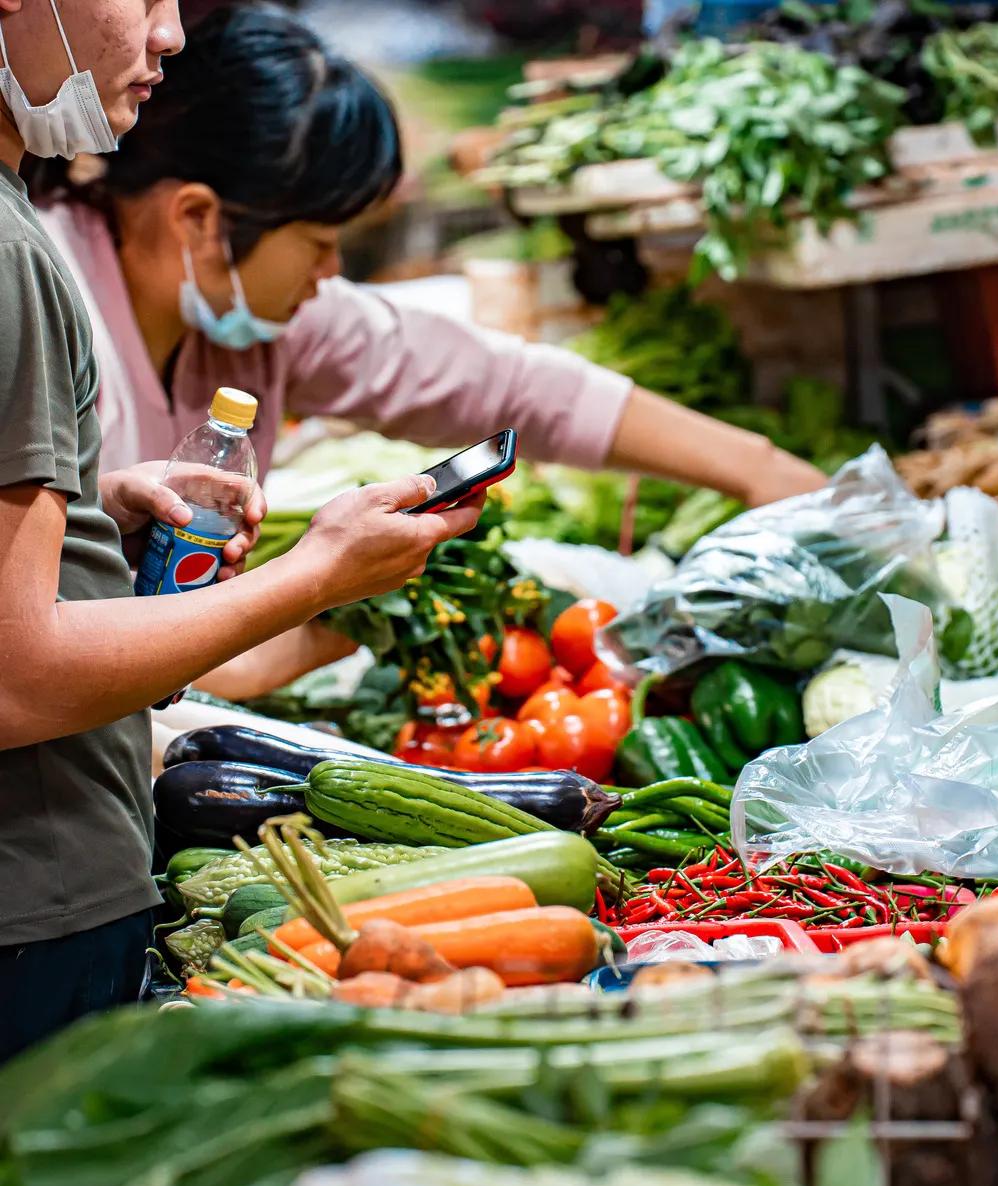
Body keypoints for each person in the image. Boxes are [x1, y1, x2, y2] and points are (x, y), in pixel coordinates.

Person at [31, 3, 825, 700]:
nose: (332, 272)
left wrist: (762, 470)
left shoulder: (265, 315)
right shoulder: (50, 315)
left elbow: (508, 385)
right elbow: (46, 649)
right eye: (320, 240)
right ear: (200, 219)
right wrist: (312, 599)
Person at [0, 0, 486, 1062]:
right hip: (35, 911)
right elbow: (17, 675)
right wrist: (319, 574)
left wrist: (91, 512)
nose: (170, 34)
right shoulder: (18, 260)